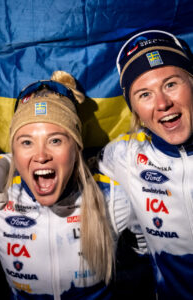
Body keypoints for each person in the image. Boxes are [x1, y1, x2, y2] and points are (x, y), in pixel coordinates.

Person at [0, 70, 117, 299]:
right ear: (14, 151)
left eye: (55, 140)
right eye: (27, 142)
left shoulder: (114, 198)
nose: (41, 155)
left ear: (77, 146)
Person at [98, 29, 193, 300]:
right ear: (135, 109)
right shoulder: (122, 156)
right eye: (144, 94)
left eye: (171, 84)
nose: (162, 103)